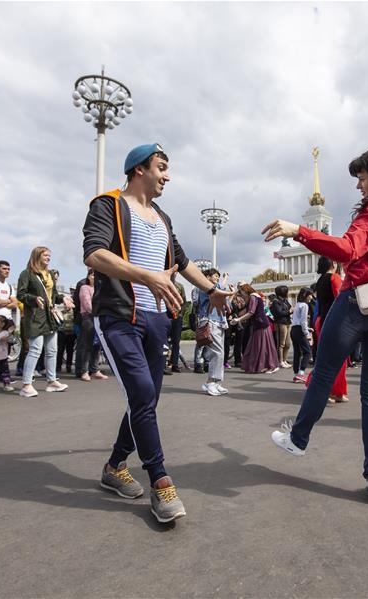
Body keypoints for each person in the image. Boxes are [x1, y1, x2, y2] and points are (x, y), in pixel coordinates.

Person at [263, 146, 368, 498]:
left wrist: (299, 230)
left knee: (323, 374)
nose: (359, 186)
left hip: (357, 301)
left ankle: (298, 439)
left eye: (363, 178)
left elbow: (347, 250)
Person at [82, 142, 230, 522]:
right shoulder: (108, 205)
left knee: (145, 401)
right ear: (138, 170)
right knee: (143, 394)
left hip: (157, 319)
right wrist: (146, 275)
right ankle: (160, 481)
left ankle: (115, 466)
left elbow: (181, 262)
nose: (167, 176)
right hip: (118, 315)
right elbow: (95, 254)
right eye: (161, 167)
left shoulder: (162, 217)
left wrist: (212, 292)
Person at [16, 247, 72, 398]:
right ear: (37, 256)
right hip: (35, 317)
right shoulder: (27, 274)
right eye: (45, 255)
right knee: (35, 350)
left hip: (49, 317)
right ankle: (26, 385)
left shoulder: (49, 275)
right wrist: (33, 299)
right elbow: (20, 294)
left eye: (49, 255)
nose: (48, 257)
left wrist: (63, 298)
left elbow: (52, 295)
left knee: (52, 350)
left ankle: (52, 381)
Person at [312, 257, 350, 399]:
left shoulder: (320, 280)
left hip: (321, 320)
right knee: (338, 358)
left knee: (326, 357)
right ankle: (333, 391)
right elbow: (342, 299)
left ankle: (330, 390)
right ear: (334, 263)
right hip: (333, 320)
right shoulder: (334, 278)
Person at [195, 268, 229, 395]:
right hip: (210, 321)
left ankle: (216, 381)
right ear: (207, 277)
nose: (217, 278)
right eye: (215, 276)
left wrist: (225, 278)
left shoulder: (213, 286)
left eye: (218, 276)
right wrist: (226, 279)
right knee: (217, 352)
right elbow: (219, 288)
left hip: (218, 321)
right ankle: (210, 382)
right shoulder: (205, 287)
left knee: (220, 352)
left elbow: (221, 287)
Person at [236, 286, 279, 374]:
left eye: (242, 292)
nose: (242, 294)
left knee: (260, 346)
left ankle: (269, 365)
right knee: (263, 346)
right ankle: (268, 365)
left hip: (260, 324)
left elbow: (251, 312)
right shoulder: (255, 296)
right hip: (261, 323)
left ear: (246, 290)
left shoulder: (252, 296)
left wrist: (238, 319)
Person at [75, 270, 108, 381]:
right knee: (87, 345)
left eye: (96, 275)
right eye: (92, 275)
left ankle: (94, 369)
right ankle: (84, 371)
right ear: (88, 276)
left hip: (99, 318)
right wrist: (99, 311)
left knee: (97, 345)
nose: (94, 277)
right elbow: (87, 304)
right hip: (89, 317)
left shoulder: (101, 289)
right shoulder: (85, 288)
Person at [289, 287, 313, 383]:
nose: (311, 297)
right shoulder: (305, 305)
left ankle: (296, 374)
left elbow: (297, 320)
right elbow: (303, 321)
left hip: (294, 329)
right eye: (310, 295)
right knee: (307, 352)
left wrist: (307, 328)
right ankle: (301, 373)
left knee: (297, 353)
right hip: (300, 330)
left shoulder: (297, 304)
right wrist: (307, 333)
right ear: (306, 295)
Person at [269, 284, 293, 368]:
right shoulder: (276, 301)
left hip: (287, 322)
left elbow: (289, 308)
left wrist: (289, 310)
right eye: (286, 291)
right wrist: (289, 311)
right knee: (281, 344)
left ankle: (285, 360)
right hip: (280, 323)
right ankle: (280, 361)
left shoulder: (285, 300)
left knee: (288, 344)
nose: (287, 292)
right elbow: (279, 313)